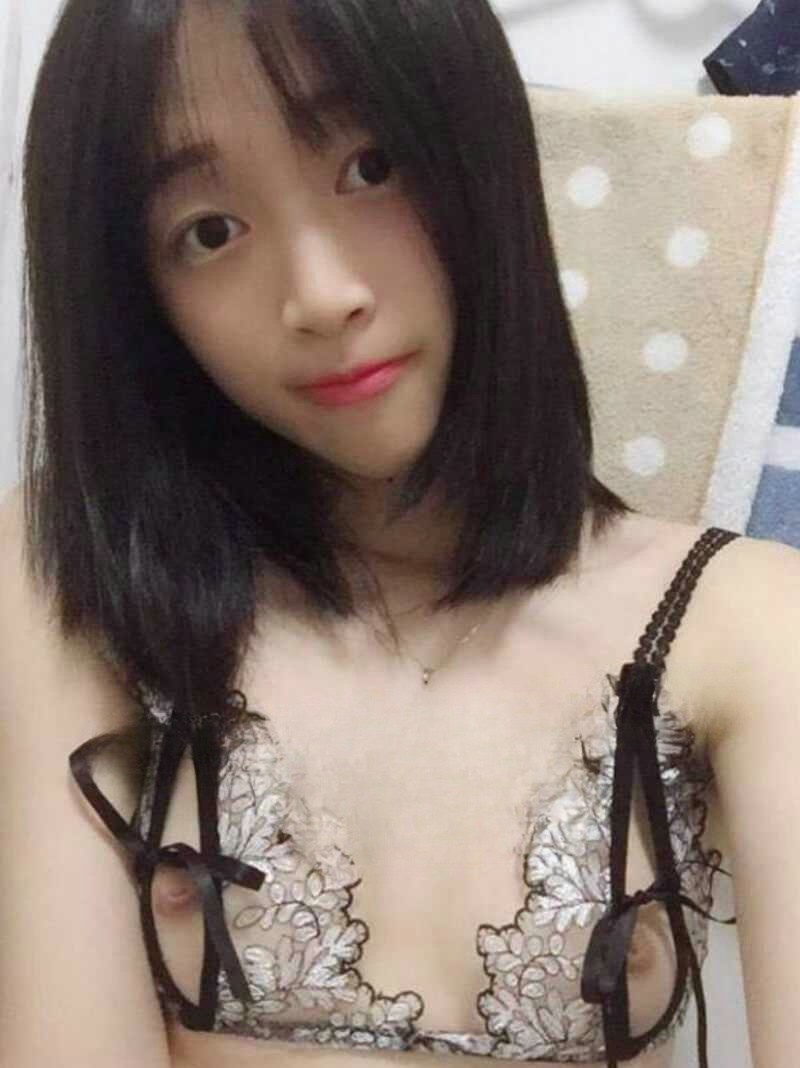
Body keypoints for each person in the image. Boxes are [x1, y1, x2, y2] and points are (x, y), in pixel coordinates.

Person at [0, 2, 798, 1067]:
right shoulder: (69, 571)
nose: (321, 296)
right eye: (209, 231)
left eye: (370, 166)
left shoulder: (743, 622)